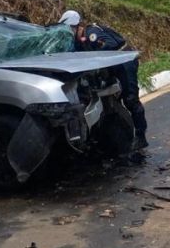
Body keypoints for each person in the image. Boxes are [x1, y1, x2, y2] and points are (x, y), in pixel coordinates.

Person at [59, 10, 149, 150]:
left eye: (70, 29)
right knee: (110, 100)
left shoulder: (91, 33)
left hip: (124, 61)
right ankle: (120, 136)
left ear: (76, 27)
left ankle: (141, 136)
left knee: (131, 99)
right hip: (112, 65)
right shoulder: (80, 41)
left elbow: (110, 45)